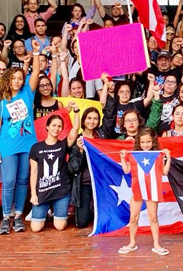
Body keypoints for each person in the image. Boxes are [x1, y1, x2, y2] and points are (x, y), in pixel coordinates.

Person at [0, 53, 42, 235]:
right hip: (7, 146)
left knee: (22, 181)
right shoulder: (0, 100)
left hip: (27, 145)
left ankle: (19, 215)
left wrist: (35, 53)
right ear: (8, 79)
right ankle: (6, 216)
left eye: (21, 79)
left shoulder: (27, 92)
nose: (18, 81)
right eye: (14, 78)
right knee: (9, 180)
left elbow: (36, 71)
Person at [119, 128, 172, 256]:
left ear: (153, 142)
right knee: (133, 217)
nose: (145, 145)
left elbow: (165, 172)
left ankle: (156, 244)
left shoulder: (157, 155)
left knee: (153, 217)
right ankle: (132, 243)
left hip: (152, 189)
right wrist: (123, 158)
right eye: (142, 142)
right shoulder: (135, 155)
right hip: (137, 189)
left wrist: (168, 158)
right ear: (139, 143)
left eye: (148, 142)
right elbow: (126, 170)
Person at [29, 114, 79, 232]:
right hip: (42, 191)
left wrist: (76, 111)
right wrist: (34, 194)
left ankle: (53, 212)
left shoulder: (63, 144)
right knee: (36, 228)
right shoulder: (36, 148)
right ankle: (46, 214)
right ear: (47, 127)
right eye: (53, 125)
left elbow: (75, 129)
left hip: (61, 191)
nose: (56, 128)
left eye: (59, 126)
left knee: (60, 226)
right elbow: (34, 172)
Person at [68, 107, 109, 228]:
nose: (92, 121)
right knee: (81, 223)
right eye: (89, 118)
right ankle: (89, 209)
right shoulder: (77, 138)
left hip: (100, 182)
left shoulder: (101, 137)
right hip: (84, 183)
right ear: (83, 120)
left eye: (95, 118)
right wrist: (80, 151)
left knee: (105, 220)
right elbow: (73, 168)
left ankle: (95, 209)